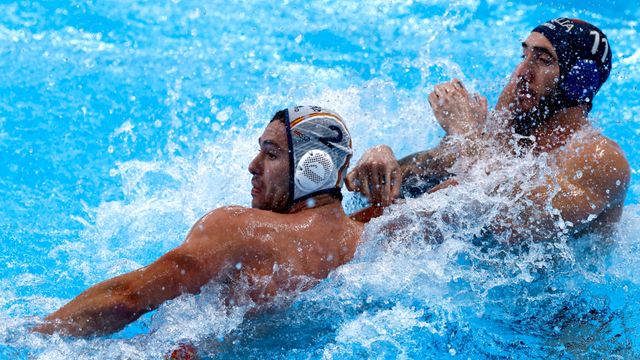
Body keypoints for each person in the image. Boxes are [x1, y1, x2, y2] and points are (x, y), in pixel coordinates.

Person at [33, 105, 364, 337]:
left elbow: (128, 297)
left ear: (313, 169)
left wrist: (34, 334)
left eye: (271, 153)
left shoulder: (240, 229)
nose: (253, 165)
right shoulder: (367, 240)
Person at [346, 18, 630, 238]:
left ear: (578, 81)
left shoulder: (599, 159)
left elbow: (515, 228)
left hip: (560, 312)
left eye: (543, 60)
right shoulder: (511, 136)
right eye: (524, 57)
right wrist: (381, 158)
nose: (521, 73)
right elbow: (385, 187)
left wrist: (465, 132)